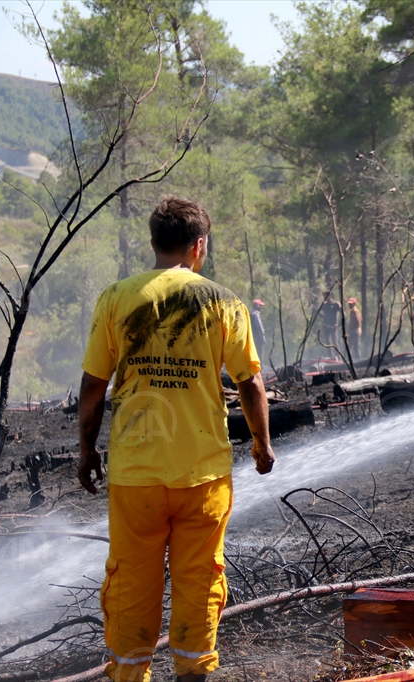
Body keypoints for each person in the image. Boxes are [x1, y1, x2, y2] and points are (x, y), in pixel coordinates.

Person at [77, 196, 276, 682]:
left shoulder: (117, 298)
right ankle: (192, 673)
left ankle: (129, 674)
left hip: (136, 478)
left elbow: (93, 386)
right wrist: (261, 445)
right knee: (199, 579)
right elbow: (249, 383)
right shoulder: (224, 302)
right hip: (203, 476)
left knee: (130, 585)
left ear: (154, 244)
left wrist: (86, 449)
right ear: (198, 247)